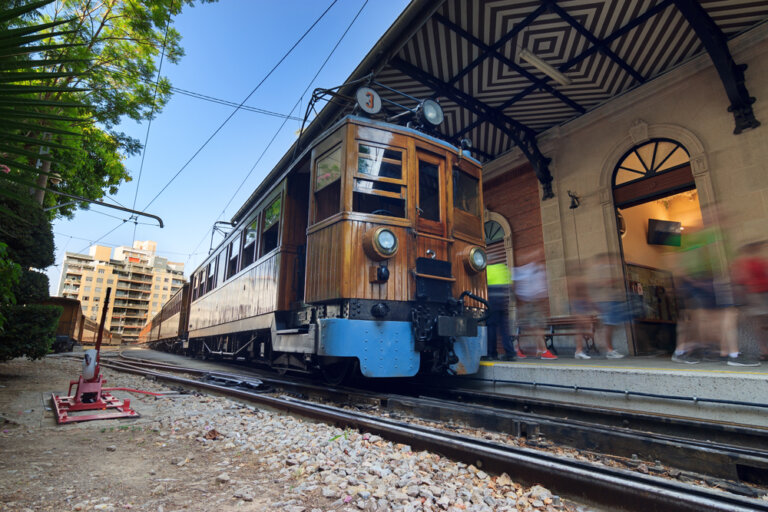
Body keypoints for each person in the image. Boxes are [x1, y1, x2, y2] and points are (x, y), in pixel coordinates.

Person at [513, 246, 556, 359]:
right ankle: (543, 351)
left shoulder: (539, 268)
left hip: (536, 303)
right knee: (536, 328)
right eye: (538, 255)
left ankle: (535, 349)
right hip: (529, 303)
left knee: (535, 328)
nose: (540, 257)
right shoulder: (524, 270)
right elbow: (517, 287)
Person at [731, 241, 768, 363]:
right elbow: (740, 280)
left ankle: (764, 350)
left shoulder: (759, 261)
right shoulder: (744, 263)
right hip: (755, 295)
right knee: (759, 324)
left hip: (761, 293)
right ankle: (764, 351)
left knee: (760, 324)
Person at [585, 253, 626, 359]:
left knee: (611, 325)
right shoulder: (596, 270)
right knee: (609, 324)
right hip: (604, 301)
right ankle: (609, 350)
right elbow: (596, 285)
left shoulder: (607, 268)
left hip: (610, 299)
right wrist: (611, 281)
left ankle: (609, 348)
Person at [485, 261, 513, 360]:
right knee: (505, 329)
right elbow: (510, 285)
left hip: (492, 303)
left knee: (491, 328)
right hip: (503, 302)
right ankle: (510, 353)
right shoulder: (503, 268)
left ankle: (492, 354)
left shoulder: (487, 269)